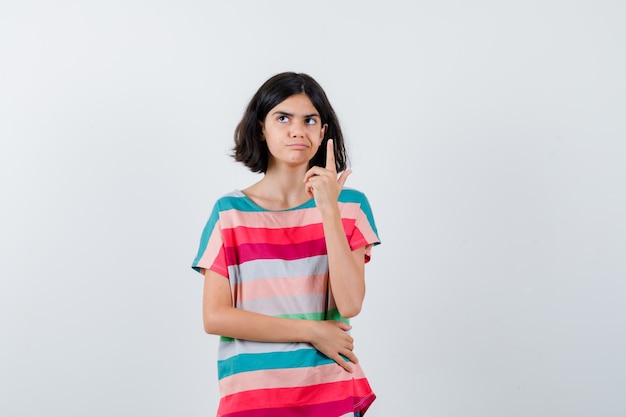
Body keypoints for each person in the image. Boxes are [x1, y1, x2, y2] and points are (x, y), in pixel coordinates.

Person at [192, 72, 381, 417]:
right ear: (261, 128)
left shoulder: (350, 206)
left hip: (329, 393)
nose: (298, 130)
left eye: (310, 120)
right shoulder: (229, 213)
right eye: (283, 118)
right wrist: (312, 331)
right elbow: (215, 317)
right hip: (253, 396)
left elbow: (351, 303)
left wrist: (327, 208)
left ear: (323, 132)